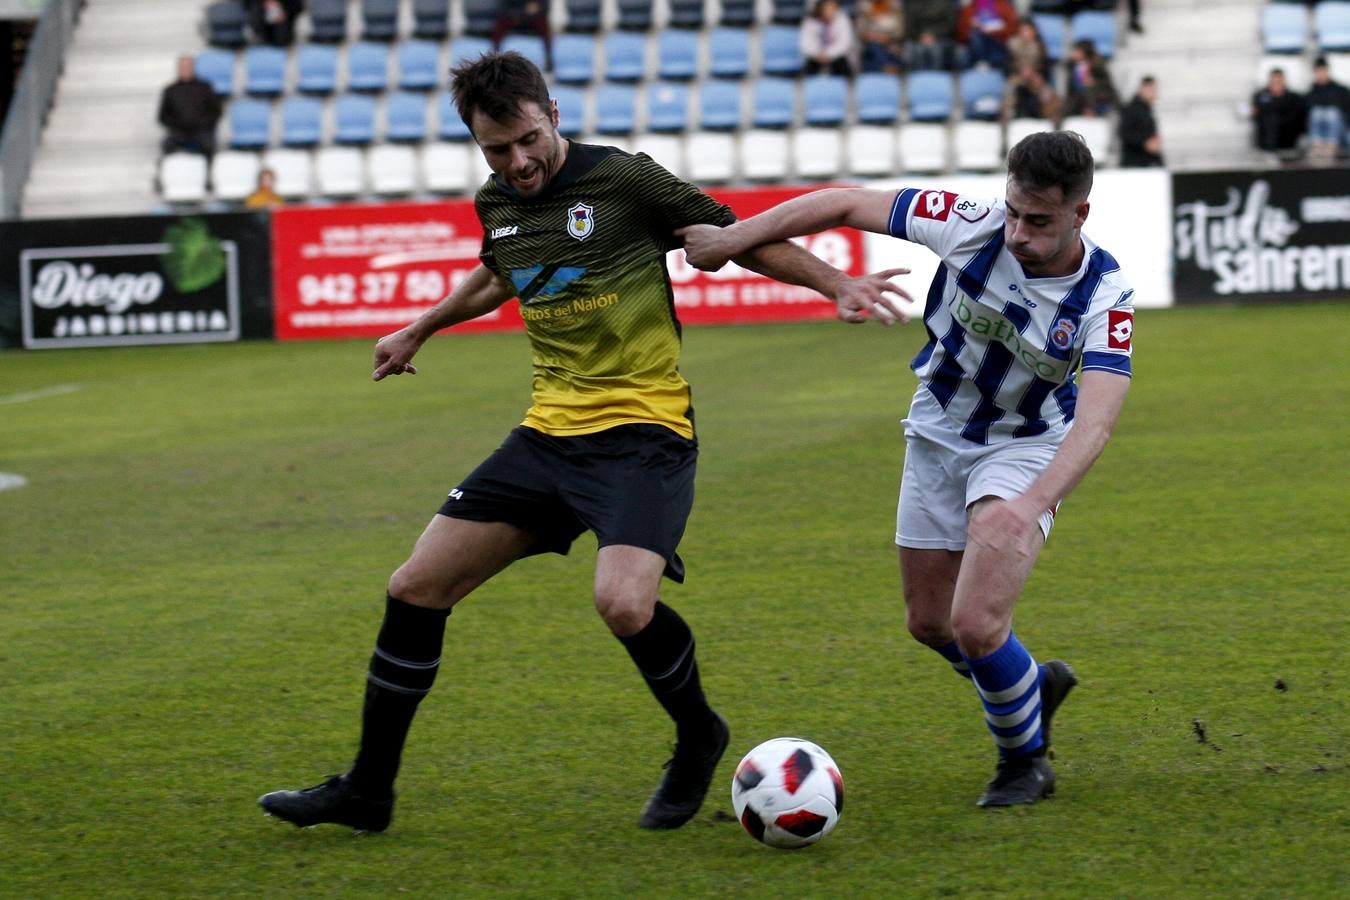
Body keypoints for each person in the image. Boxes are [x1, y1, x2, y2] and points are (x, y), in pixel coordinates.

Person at [256, 51, 904, 833]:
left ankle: (699, 735)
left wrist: (837, 283)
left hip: (643, 433)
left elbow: (737, 236)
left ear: (553, 116)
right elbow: (499, 275)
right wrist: (418, 326)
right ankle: (367, 790)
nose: (517, 161)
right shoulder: (496, 199)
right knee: (414, 589)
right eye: (497, 149)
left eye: (528, 139)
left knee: (623, 604)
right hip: (547, 435)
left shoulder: (625, 180)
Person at [678, 131, 1135, 807]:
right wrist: (730, 238)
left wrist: (1029, 504)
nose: (1017, 232)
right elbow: (841, 203)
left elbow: (1095, 422)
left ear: (1079, 215)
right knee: (930, 622)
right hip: (937, 427)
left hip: (1026, 446)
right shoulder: (968, 223)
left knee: (978, 622)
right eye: (1013, 211)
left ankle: (1024, 761)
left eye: (1038, 222)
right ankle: (1029, 686)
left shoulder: (1105, 295)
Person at [157, 54, 222, 158]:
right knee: (166, 144)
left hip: (201, 131)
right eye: (183, 67)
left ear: (193, 67)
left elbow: (215, 112)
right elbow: (162, 116)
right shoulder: (170, 90)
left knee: (209, 144)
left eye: (188, 66)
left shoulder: (205, 88)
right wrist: (177, 125)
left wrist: (202, 124)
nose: (186, 69)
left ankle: (209, 173)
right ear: (178, 69)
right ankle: (165, 172)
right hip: (179, 132)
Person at [1251, 68, 1307, 156]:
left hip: (1287, 136)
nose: (1276, 83)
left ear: (1284, 81)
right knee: (1271, 119)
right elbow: (1257, 116)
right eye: (1274, 81)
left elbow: (1297, 117)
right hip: (1267, 137)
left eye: (1279, 81)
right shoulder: (1260, 95)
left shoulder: (1294, 97)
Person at [1305, 57, 1350, 162]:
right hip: (1319, 135)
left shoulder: (1341, 90)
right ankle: (1318, 147)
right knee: (1316, 113)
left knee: (1332, 113)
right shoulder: (1311, 93)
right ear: (1315, 72)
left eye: (1323, 70)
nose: (1321, 74)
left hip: (1340, 131)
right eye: (1318, 71)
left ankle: (1330, 147)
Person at [955, 0, 1018, 70]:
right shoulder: (970, 8)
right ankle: (980, 62)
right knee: (974, 38)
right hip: (976, 46)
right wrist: (972, 26)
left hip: (997, 42)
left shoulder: (1003, 5)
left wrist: (991, 30)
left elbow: (1012, 27)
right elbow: (961, 32)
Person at [1064, 39, 1118, 119]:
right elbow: (1071, 89)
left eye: (1076, 51)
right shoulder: (1072, 66)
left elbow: (1107, 84)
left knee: (1090, 87)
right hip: (1078, 99)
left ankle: (1090, 110)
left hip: (1098, 98)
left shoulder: (1097, 65)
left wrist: (1094, 82)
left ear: (1084, 52)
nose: (1074, 53)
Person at [801, 0, 856, 77]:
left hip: (836, 56)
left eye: (832, 8)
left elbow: (844, 43)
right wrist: (817, 53)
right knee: (807, 71)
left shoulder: (842, 19)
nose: (829, 11)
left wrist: (828, 54)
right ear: (820, 8)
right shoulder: (810, 19)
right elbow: (805, 43)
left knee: (844, 66)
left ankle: (845, 86)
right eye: (826, 8)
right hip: (816, 56)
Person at [492, 0, 553, 71]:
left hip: (534, 18)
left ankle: (549, 58)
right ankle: (495, 58)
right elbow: (503, 8)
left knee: (544, 24)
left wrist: (537, 8)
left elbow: (545, 7)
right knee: (500, 23)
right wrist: (521, 13)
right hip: (514, 17)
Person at [1118, 75, 1164, 167]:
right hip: (1135, 163)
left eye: (1154, 90)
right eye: (1150, 90)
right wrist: (1145, 143)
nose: (1153, 94)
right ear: (1142, 89)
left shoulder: (1146, 109)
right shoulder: (1131, 109)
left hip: (1146, 162)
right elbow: (1124, 133)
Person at [904, 0, 959, 71]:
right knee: (914, 49)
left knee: (936, 50)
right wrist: (921, 36)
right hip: (918, 37)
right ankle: (918, 78)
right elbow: (909, 24)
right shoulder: (912, 3)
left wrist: (934, 35)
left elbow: (950, 24)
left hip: (941, 37)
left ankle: (937, 78)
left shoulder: (946, 2)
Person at [856, 0, 906, 74]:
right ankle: (887, 67)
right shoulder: (864, 9)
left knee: (877, 56)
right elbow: (860, 31)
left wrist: (887, 37)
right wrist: (872, 37)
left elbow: (899, 32)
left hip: (890, 46)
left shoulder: (895, 8)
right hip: (870, 45)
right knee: (875, 46)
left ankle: (885, 68)